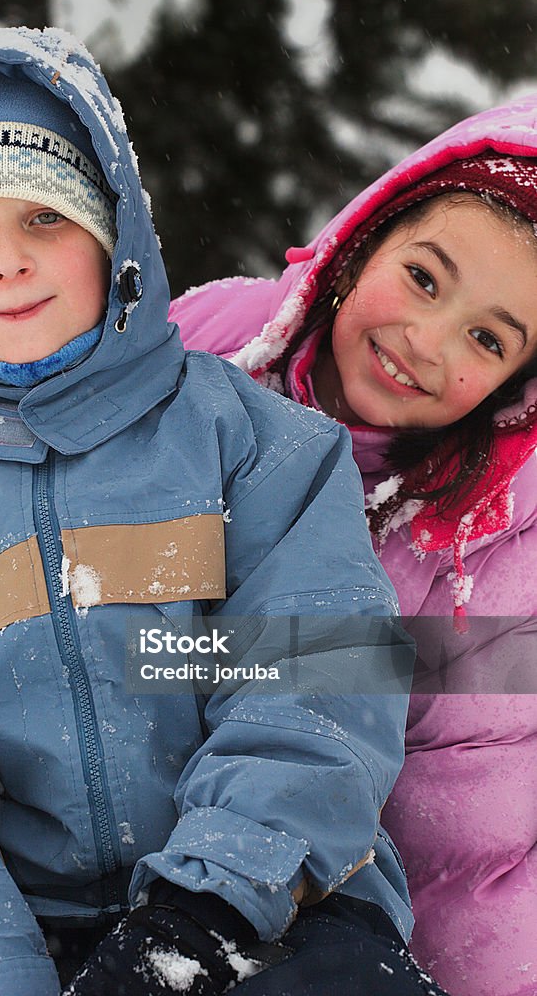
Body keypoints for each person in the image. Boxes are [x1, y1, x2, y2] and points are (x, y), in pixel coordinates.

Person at [0, 26, 445, 996]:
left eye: (46, 217)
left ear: (112, 234)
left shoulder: (256, 441)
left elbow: (318, 684)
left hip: (280, 905)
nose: (7, 263)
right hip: (24, 929)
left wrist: (201, 912)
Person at [170, 98, 537, 996]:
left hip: (325, 891)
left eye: (485, 339)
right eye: (422, 277)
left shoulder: (492, 545)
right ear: (366, 237)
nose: (424, 339)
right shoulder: (211, 343)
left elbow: (469, 828)